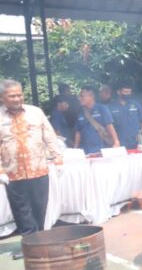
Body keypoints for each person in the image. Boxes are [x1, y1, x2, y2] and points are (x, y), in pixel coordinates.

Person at [0, 79, 62, 235]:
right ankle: (29, 242)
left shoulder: (35, 112)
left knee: (39, 207)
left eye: (19, 95)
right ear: (2, 98)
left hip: (38, 169)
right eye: (12, 96)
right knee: (21, 210)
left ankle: (38, 240)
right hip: (13, 173)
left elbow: (49, 135)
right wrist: (0, 170)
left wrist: (58, 157)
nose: (16, 99)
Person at [74, 86, 119, 155]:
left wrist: (116, 142)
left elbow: (109, 126)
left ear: (91, 96)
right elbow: (78, 132)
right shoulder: (80, 112)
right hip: (85, 151)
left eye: (82, 96)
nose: (80, 98)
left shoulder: (102, 108)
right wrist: (75, 148)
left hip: (101, 149)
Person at [109, 83, 142, 150]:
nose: (128, 94)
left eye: (129, 92)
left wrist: (141, 133)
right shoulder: (111, 107)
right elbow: (109, 125)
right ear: (119, 92)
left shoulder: (136, 104)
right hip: (120, 143)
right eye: (126, 92)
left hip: (136, 142)